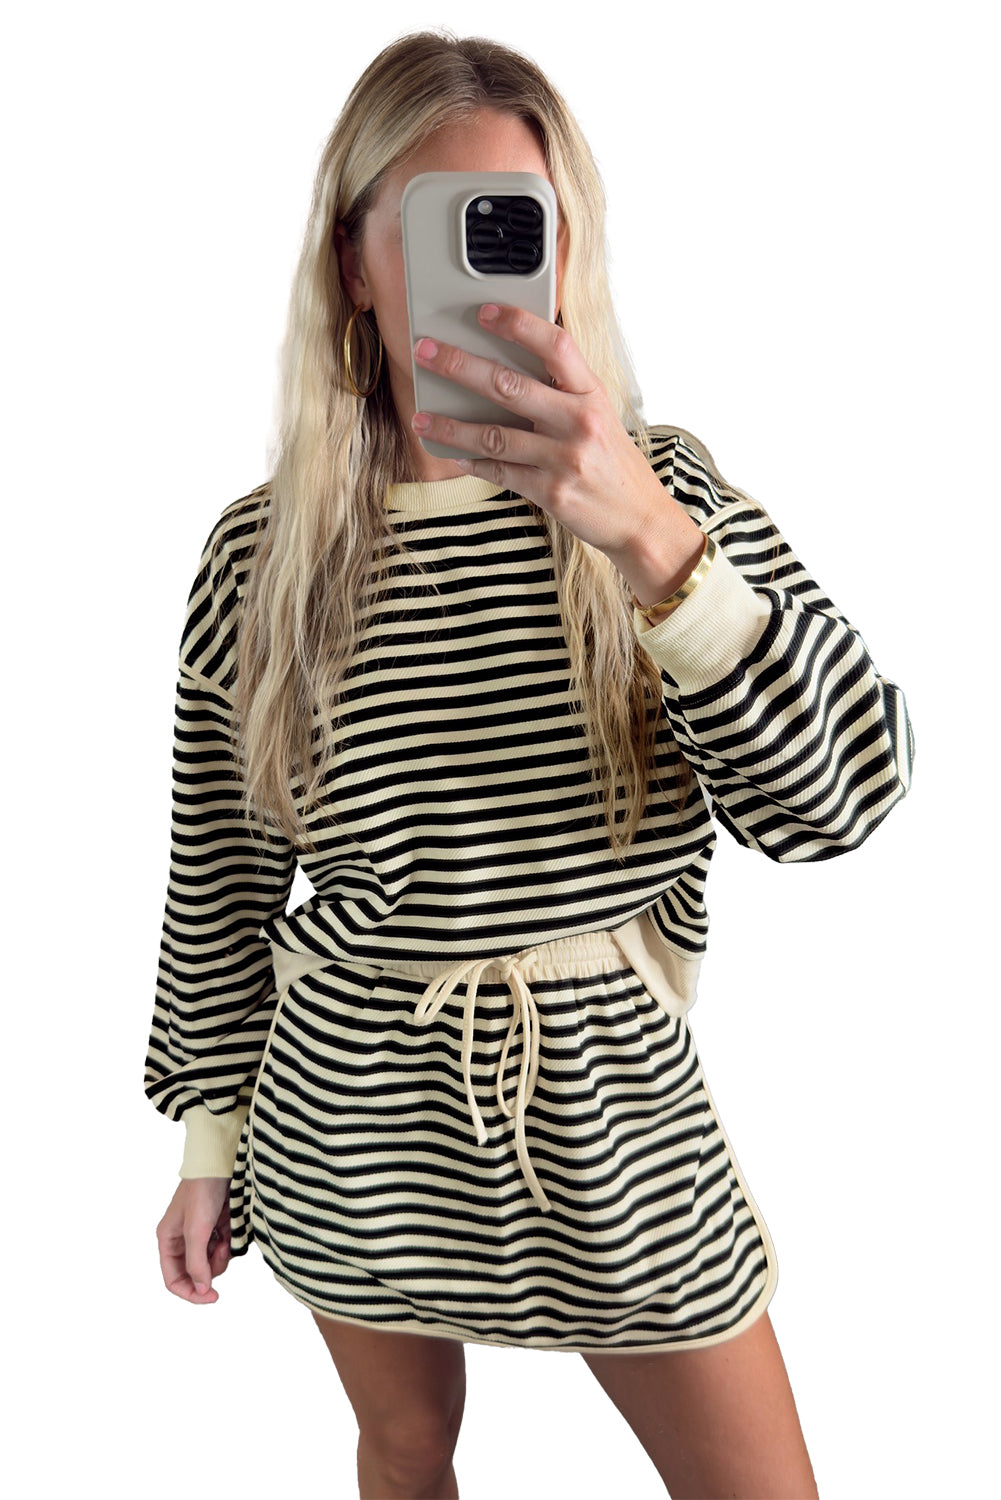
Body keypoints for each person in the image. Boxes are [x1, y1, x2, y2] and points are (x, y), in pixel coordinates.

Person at [145, 29, 914, 1500]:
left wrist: (649, 545)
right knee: (403, 1451)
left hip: (609, 1110)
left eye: (520, 225)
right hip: (349, 1111)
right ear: (355, 263)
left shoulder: (662, 495)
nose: (489, 271)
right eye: (443, 226)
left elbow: (839, 803)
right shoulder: (261, 554)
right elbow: (222, 874)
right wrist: (207, 1138)